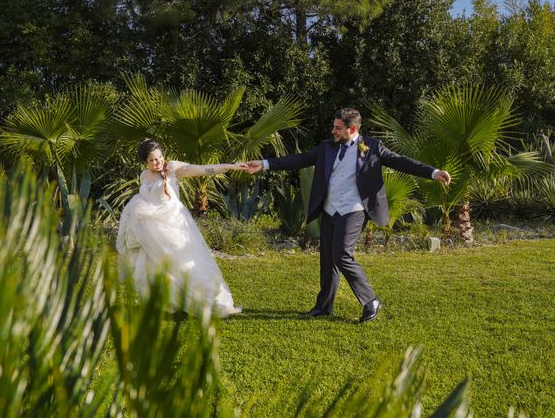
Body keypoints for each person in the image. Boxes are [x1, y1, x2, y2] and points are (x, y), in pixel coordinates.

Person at [246, 108, 451, 323]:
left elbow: (402, 161)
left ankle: (370, 300)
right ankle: (324, 306)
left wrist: (432, 172)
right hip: (329, 208)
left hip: (354, 209)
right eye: (334, 126)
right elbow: (300, 159)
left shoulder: (373, 147)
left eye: (337, 128)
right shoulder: (326, 147)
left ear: (352, 129)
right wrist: (264, 164)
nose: (333, 131)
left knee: (342, 254)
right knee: (328, 259)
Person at [116, 138, 247, 318]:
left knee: (186, 264)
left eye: (160, 157)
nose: (158, 162)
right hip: (152, 231)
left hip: (175, 226)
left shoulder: (172, 168)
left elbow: (203, 169)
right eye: (153, 160)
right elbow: (147, 201)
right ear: (145, 162)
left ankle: (209, 301)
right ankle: (167, 301)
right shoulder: (144, 176)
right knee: (156, 267)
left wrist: (230, 166)